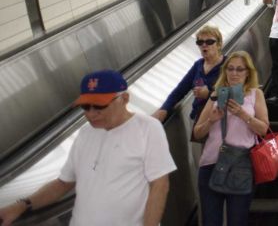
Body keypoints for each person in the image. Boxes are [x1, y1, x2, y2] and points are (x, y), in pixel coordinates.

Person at [0, 70, 176, 226]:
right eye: (85, 106)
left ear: (124, 99)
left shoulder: (148, 128)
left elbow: (160, 185)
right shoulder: (85, 133)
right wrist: (21, 206)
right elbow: (63, 183)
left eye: (99, 106)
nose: (91, 114)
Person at [193, 51, 269, 226]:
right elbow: (197, 133)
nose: (234, 73)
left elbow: (263, 129)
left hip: (240, 166)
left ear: (248, 72)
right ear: (225, 71)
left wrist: (243, 115)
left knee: (238, 220)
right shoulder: (216, 94)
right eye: (230, 68)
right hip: (211, 164)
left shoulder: (255, 94)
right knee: (211, 221)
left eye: (240, 69)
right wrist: (211, 120)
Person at [152, 25, 226, 123]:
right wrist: (164, 109)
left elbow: (238, 94)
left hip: (219, 121)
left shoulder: (229, 65)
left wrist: (209, 94)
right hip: (197, 120)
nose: (204, 45)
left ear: (219, 45)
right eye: (200, 42)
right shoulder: (198, 65)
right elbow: (180, 90)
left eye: (209, 42)